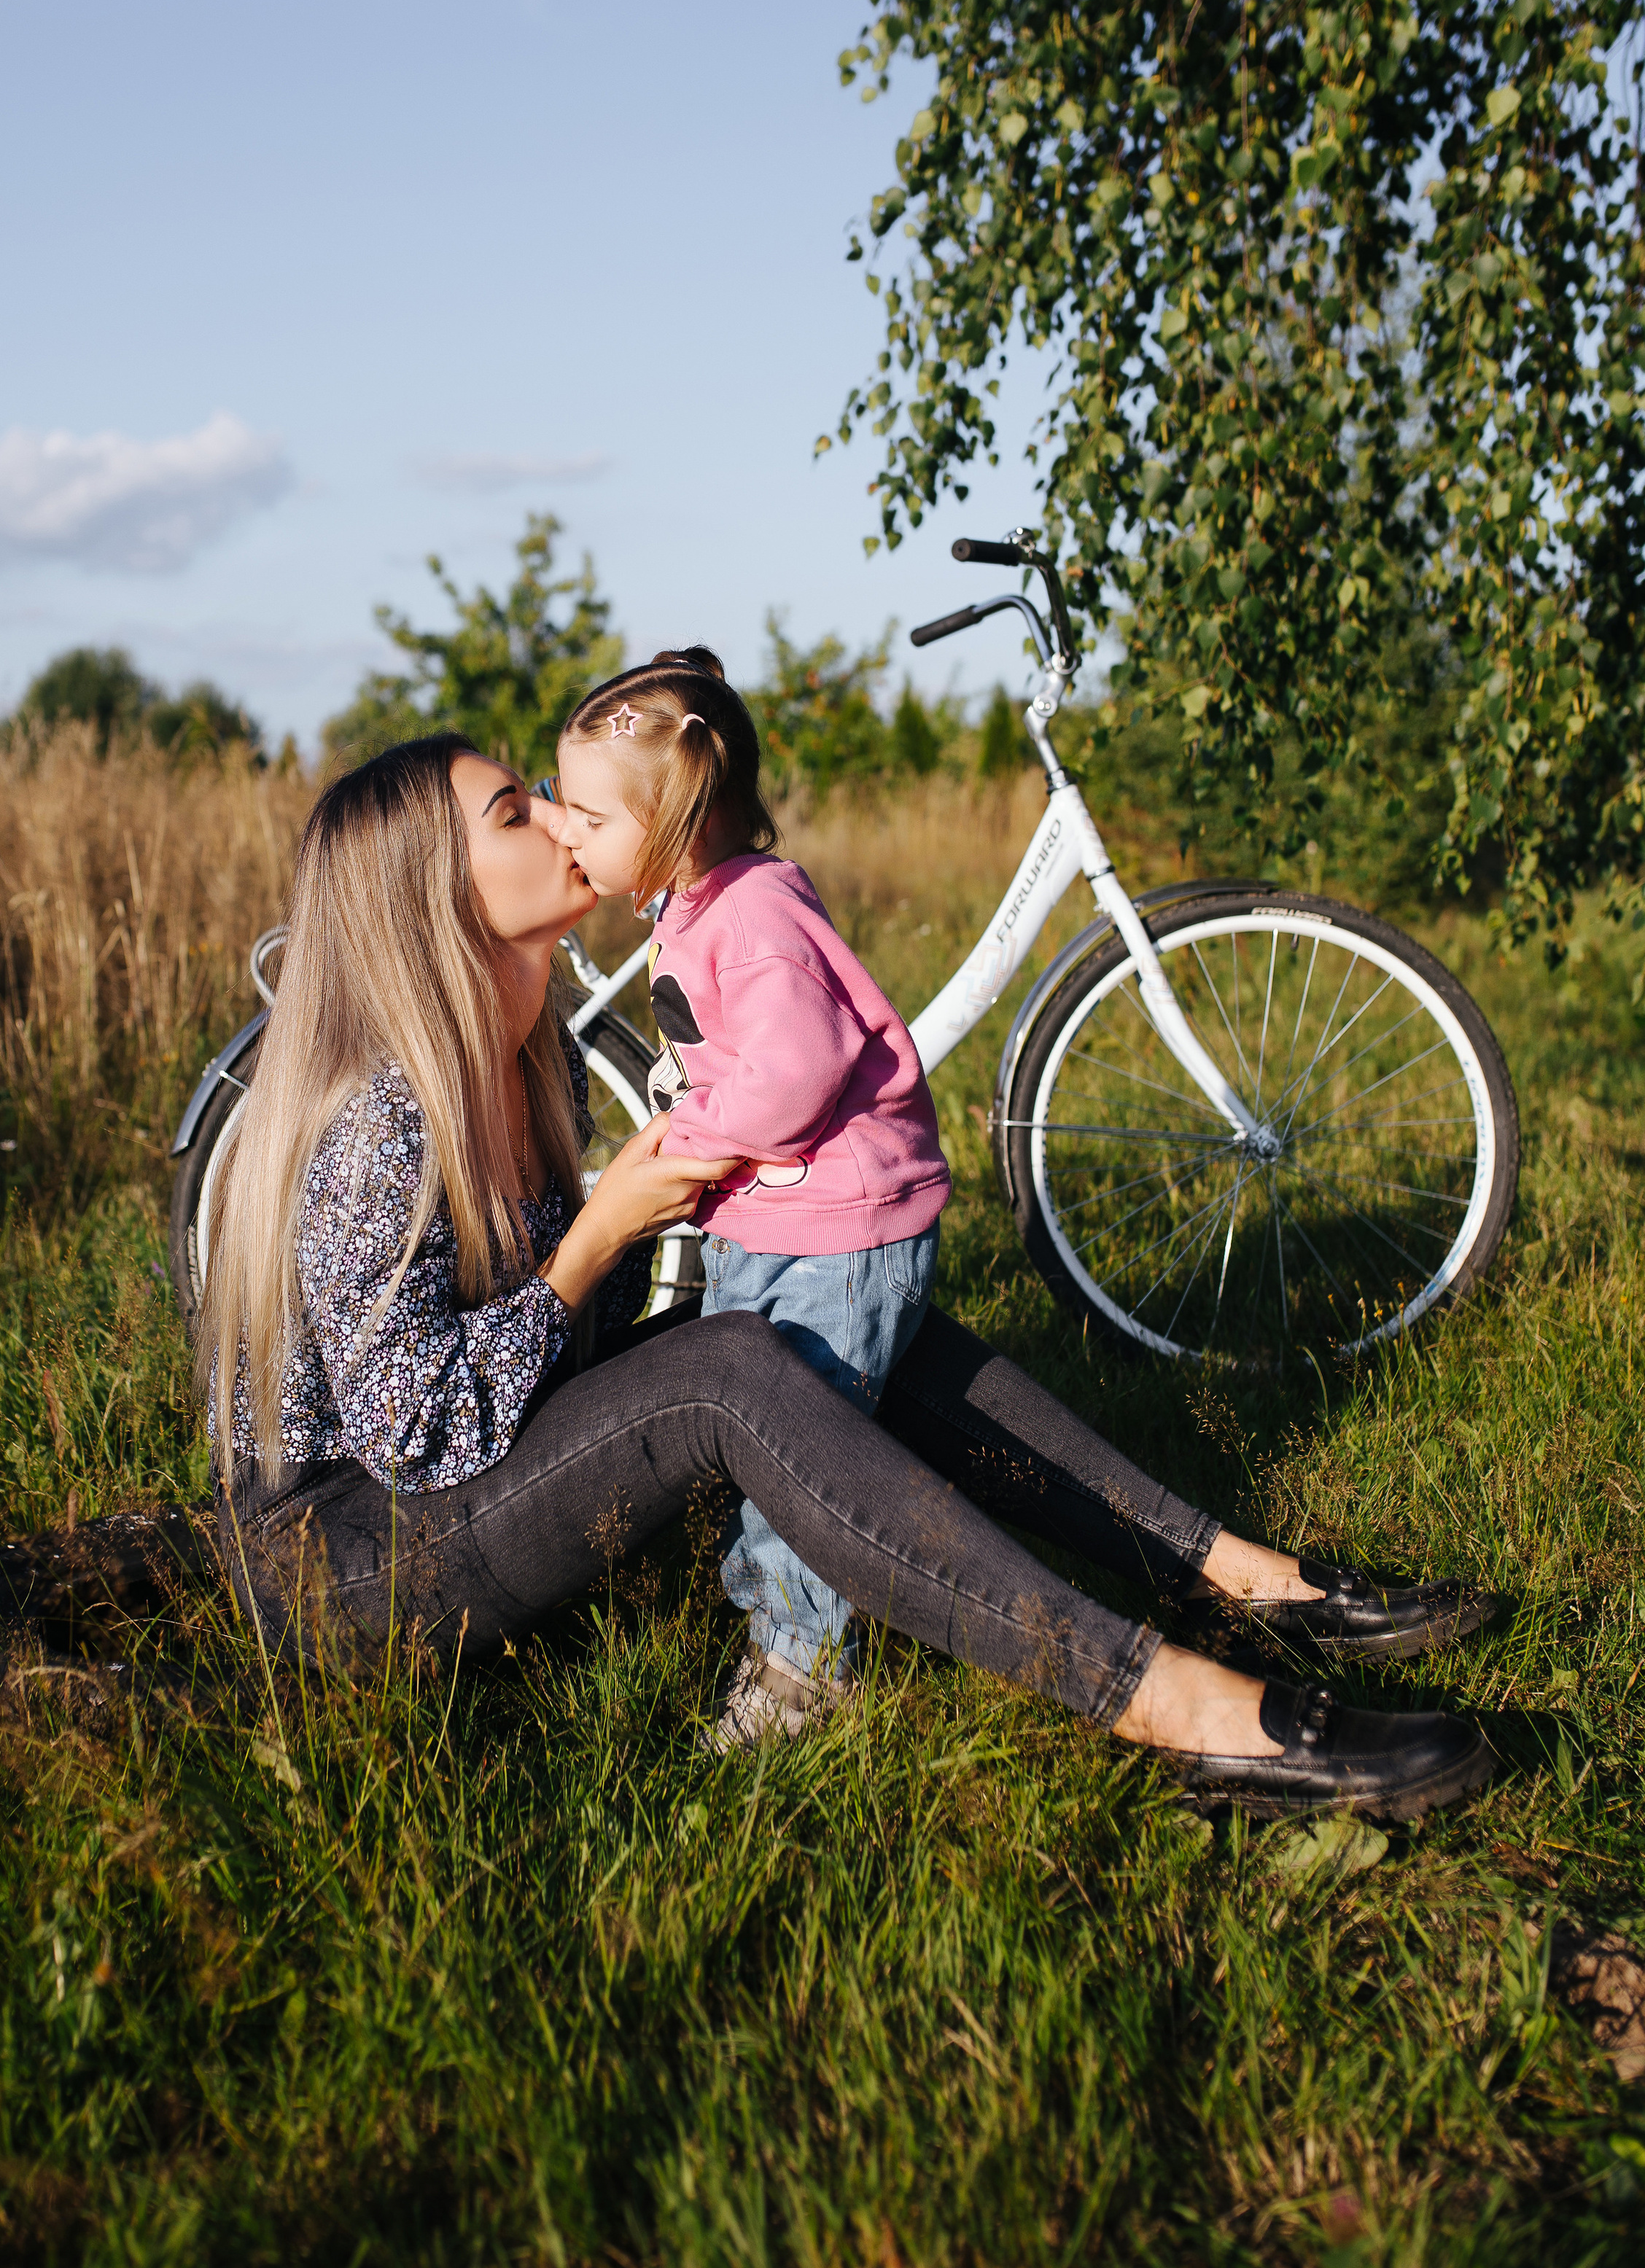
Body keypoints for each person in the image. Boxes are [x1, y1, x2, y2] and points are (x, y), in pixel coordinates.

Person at [198, 732, 1498, 1820]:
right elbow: (413, 1432)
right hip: (348, 1568)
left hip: (451, 1478)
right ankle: (1175, 1705)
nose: (556, 816)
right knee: (723, 1375)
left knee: (840, 1304)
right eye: (511, 810)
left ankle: (1235, 1578)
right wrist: (597, 1238)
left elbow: (531, 1343)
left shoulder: (515, 1057)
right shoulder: (380, 1117)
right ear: (434, 891)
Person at [554, 647, 950, 1747]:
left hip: (837, 1231)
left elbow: (796, 1071)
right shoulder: (698, 904)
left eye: (588, 813)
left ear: (677, 817)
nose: (565, 830)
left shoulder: (754, 914)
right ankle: (794, 1625)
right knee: (770, 1437)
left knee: (801, 1452)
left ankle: (807, 1673)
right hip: (777, 1219)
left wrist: (699, 1138)